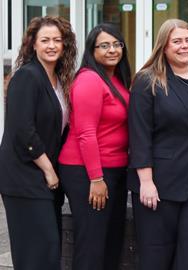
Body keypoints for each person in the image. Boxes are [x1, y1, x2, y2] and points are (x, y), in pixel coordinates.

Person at [128, 19, 188, 270]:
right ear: (164, 46)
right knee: (156, 256)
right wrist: (146, 182)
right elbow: (139, 134)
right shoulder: (147, 81)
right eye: (177, 41)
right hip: (159, 183)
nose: (185, 46)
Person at [0, 16, 77, 270]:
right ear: (33, 44)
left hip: (44, 179)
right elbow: (23, 130)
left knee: (47, 250)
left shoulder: (57, 79)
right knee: (37, 252)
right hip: (24, 177)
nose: (52, 45)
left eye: (57, 40)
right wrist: (49, 170)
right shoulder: (26, 77)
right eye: (45, 40)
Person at [58, 23, 131, 270]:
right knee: (92, 242)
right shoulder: (89, 79)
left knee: (111, 241)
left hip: (114, 168)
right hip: (87, 171)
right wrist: (96, 178)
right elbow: (86, 133)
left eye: (117, 44)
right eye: (104, 45)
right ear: (92, 50)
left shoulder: (116, 80)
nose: (112, 50)